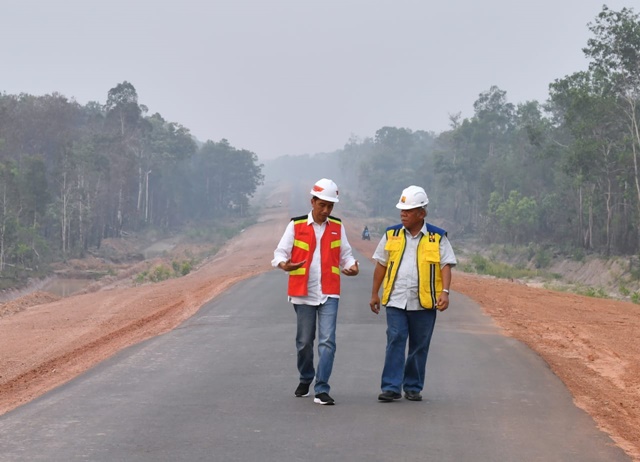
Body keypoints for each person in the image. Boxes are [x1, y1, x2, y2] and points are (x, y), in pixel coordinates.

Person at [272, 178, 359, 405]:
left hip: (329, 291)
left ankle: (322, 388)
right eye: (322, 205)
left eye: (330, 206)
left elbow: (346, 254)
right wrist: (284, 265)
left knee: (327, 341)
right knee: (304, 342)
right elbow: (280, 252)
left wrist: (352, 266)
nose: (326, 210)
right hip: (303, 293)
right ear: (312, 202)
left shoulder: (337, 227)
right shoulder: (296, 225)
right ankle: (305, 376)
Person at [369, 185, 456, 402]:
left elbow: (446, 265)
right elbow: (381, 264)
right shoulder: (392, 234)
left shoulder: (437, 237)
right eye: (402, 210)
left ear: (422, 213)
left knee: (419, 344)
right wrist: (374, 294)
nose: (403, 214)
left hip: (425, 302)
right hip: (396, 300)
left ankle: (413, 386)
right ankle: (390, 386)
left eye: (408, 210)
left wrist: (445, 292)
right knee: (396, 339)